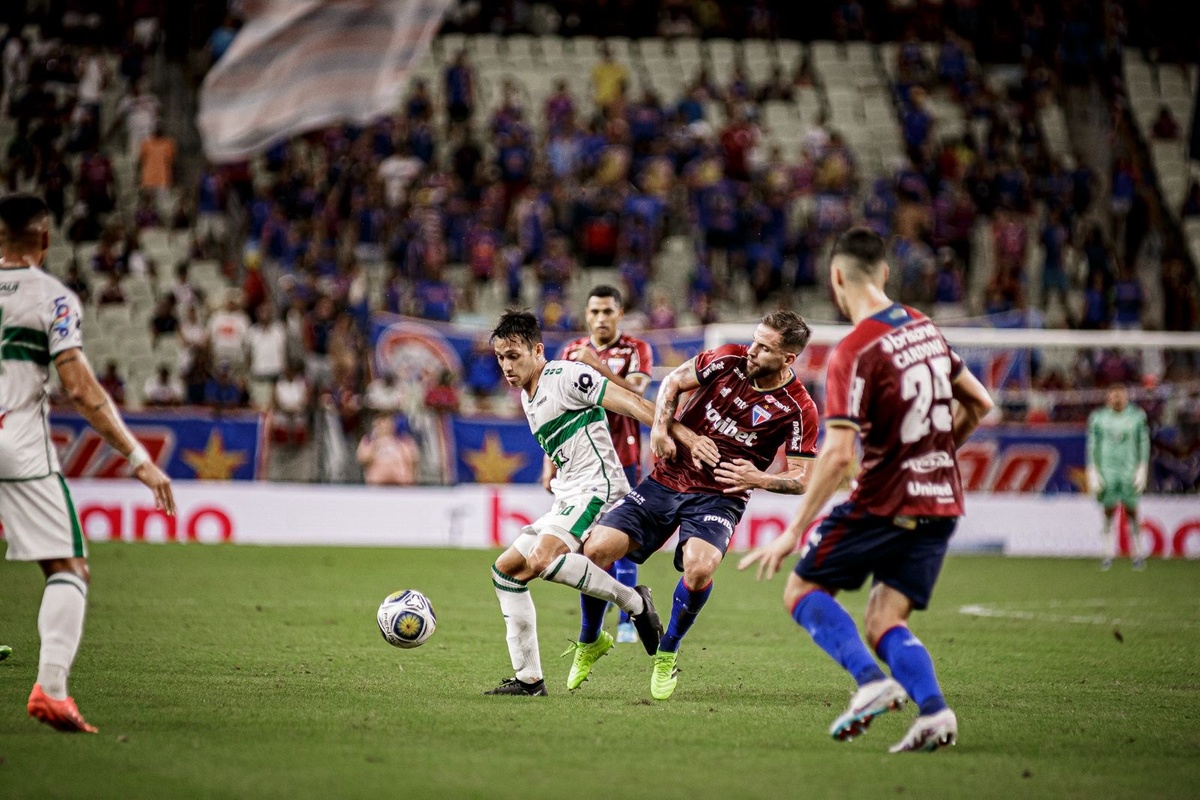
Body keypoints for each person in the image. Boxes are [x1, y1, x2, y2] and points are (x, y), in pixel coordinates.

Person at [739, 228, 993, 754]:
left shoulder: (853, 351)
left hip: (886, 500)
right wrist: (934, 456)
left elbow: (834, 456)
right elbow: (980, 402)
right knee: (884, 620)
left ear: (836, 279)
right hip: (942, 501)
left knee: (802, 591)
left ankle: (871, 683)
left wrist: (792, 532)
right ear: (883, 273)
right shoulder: (924, 327)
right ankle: (935, 714)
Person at [577, 310, 820, 700]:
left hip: (720, 496)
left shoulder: (798, 408)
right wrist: (659, 427)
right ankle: (590, 640)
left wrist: (756, 478)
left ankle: (667, 650)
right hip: (668, 477)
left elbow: (803, 478)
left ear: (788, 359)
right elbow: (673, 381)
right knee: (595, 550)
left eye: (765, 348)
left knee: (700, 568)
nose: (753, 351)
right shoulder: (727, 359)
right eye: (755, 340)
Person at [0, 193, 175, 733]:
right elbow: (79, 388)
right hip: (16, 442)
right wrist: (137, 456)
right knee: (68, 568)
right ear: (46, 238)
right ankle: (51, 690)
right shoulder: (50, 298)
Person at [484, 311, 717, 697]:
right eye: (501, 358)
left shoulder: (566, 376)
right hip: (567, 493)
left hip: (597, 488)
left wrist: (677, 435)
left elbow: (630, 402)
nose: (507, 366)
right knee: (506, 572)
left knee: (542, 560)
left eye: (514, 355)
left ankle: (634, 602)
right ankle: (529, 680)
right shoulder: (529, 393)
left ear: (537, 350)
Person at [552, 286, 653, 645]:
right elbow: (557, 410)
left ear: (619, 314)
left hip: (621, 460)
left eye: (607, 312)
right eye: (594, 312)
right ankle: (601, 615)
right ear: (586, 314)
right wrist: (550, 464)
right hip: (578, 462)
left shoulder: (636, 350)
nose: (600, 319)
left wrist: (596, 367)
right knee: (585, 548)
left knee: (619, 540)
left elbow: (637, 395)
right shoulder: (569, 352)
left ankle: (628, 620)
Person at [1087, 383, 1150, 571]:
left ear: (1126, 396)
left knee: (1132, 510)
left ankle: (1138, 553)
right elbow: (1092, 445)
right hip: (1107, 470)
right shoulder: (1098, 418)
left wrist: (1143, 467)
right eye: (1113, 395)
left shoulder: (1137, 416)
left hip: (1129, 470)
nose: (1117, 398)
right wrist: (1093, 469)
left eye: (1120, 395)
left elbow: (1144, 443)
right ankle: (1107, 553)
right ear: (1108, 397)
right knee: (1108, 511)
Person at [357, 415, 419, 486]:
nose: (383, 426)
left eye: (386, 422)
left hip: (400, 485)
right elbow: (363, 459)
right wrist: (376, 443)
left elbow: (412, 461)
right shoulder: (368, 440)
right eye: (379, 423)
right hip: (376, 485)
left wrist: (410, 482)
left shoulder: (405, 440)